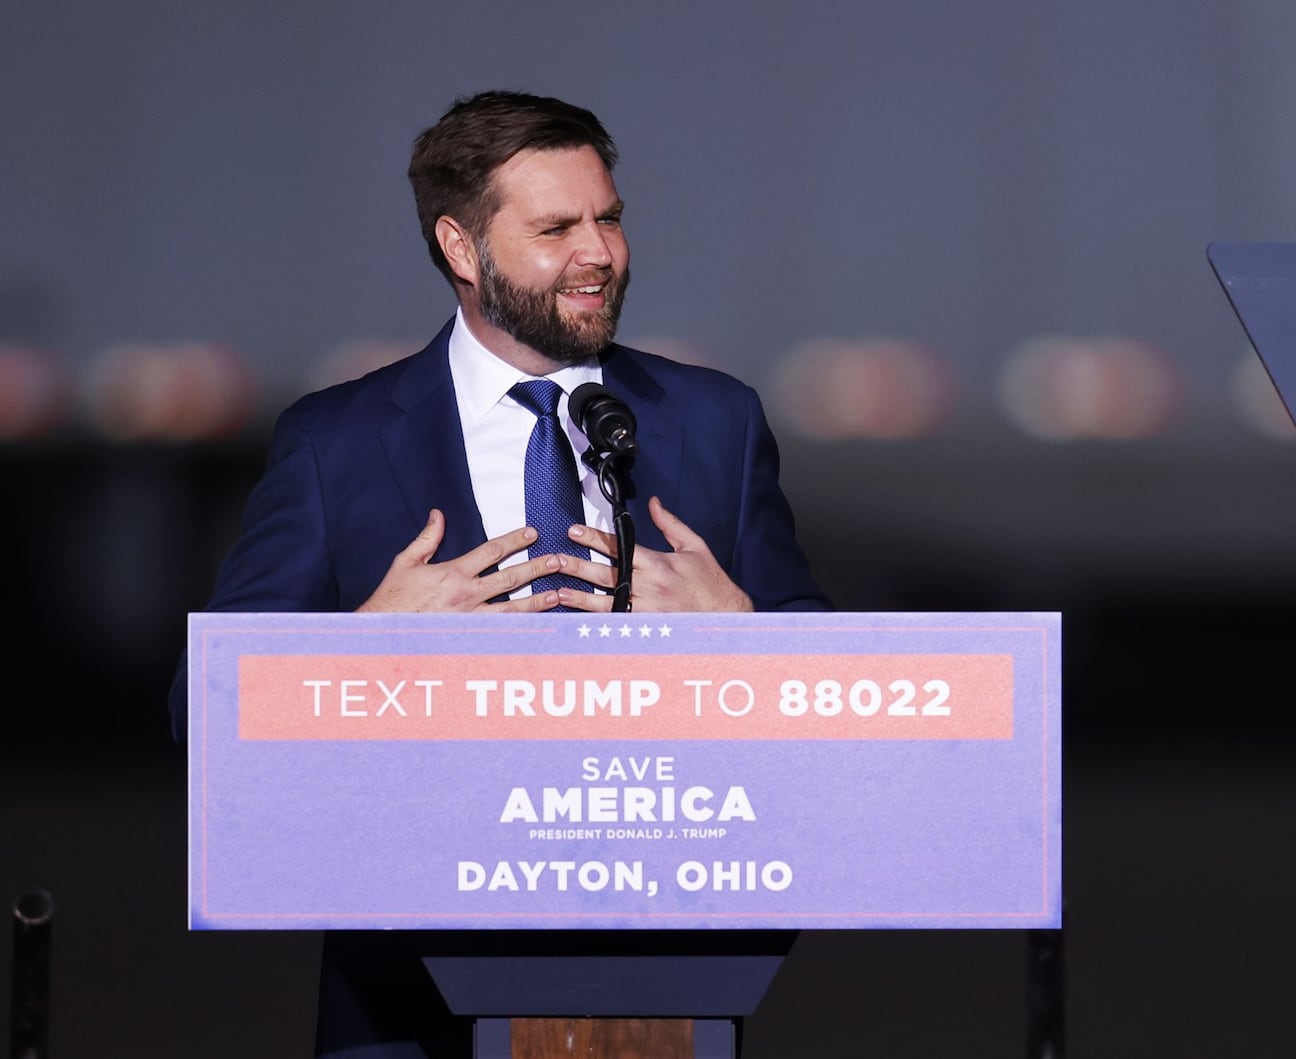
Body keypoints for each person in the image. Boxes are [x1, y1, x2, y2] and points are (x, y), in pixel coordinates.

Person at [170, 90, 829, 1057]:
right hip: (404, 999)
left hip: (665, 978)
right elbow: (202, 708)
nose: (598, 253)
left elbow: (849, 686)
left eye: (608, 218)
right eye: (557, 227)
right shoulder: (336, 442)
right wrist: (358, 651)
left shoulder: (715, 422)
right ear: (462, 249)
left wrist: (745, 627)